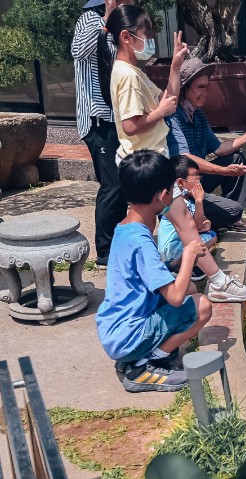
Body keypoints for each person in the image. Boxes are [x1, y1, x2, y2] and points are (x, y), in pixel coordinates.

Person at [96, 150, 212, 393]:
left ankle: (139, 357)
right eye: (173, 190)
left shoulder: (125, 228)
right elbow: (175, 298)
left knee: (189, 287)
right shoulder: (141, 240)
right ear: (163, 196)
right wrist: (189, 256)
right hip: (128, 336)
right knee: (201, 305)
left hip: (115, 330)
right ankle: (145, 365)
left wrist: (174, 265)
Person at [167, 57, 246, 232]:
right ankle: (222, 216)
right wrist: (224, 171)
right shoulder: (173, 117)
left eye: (206, 87)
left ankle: (234, 219)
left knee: (236, 157)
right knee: (232, 211)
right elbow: (185, 158)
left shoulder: (198, 114)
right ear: (185, 88)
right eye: (200, 87)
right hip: (182, 187)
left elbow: (219, 149)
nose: (205, 92)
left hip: (199, 180)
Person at [72, 0, 133, 268]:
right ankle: (105, 253)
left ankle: (119, 243)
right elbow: (78, 51)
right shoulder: (90, 19)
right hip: (99, 119)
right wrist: (107, 18)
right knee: (113, 185)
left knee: (122, 183)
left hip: (119, 117)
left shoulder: (122, 21)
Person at [158, 155, 246, 302]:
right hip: (173, 248)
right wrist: (200, 202)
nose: (199, 181)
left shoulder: (185, 199)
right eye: (195, 178)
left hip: (174, 246)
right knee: (206, 238)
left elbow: (200, 224)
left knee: (211, 234)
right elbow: (195, 227)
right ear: (180, 182)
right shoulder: (180, 201)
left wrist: (205, 223)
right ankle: (183, 265)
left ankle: (183, 265)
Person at [97, 4, 186, 164]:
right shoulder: (128, 75)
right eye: (147, 35)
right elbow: (130, 126)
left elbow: (169, 100)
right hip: (144, 162)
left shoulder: (133, 71)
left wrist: (176, 66)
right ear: (126, 37)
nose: (151, 41)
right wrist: (161, 112)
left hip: (149, 157)